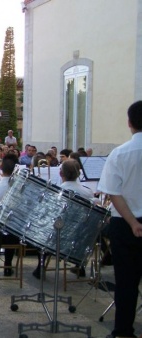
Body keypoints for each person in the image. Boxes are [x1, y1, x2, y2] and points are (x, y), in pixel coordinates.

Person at [97, 101, 142, 338]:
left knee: (126, 283)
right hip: (130, 222)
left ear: (129, 123)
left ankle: (123, 331)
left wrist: (134, 223)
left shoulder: (120, 153)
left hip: (125, 225)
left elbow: (114, 193)